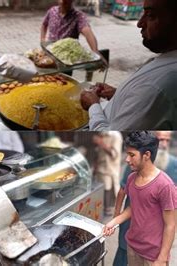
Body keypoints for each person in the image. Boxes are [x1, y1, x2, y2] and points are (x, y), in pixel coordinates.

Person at [81, 0, 177, 130]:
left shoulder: (156, 87)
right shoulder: (167, 60)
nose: (139, 23)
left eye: (151, 15)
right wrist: (121, 94)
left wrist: (93, 105)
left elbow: (113, 140)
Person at [103, 131, 176, 265]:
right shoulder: (132, 177)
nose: (126, 159)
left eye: (132, 155)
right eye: (127, 154)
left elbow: (170, 225)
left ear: (146, 155)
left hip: (153, 255)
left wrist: (162, 258)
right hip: (132, 247)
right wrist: (114, 222)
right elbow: (133, 207)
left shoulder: (165, 185)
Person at [92, 131, 122, 216]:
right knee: (102, 187)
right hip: (101, 167)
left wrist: (100, 142)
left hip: (111, 168)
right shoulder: (100, 134)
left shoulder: (116, 136)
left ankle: (109, 209)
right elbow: (97, 152)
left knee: (109, 187)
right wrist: (95, 165)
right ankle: (105, 208)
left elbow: (114, 154)